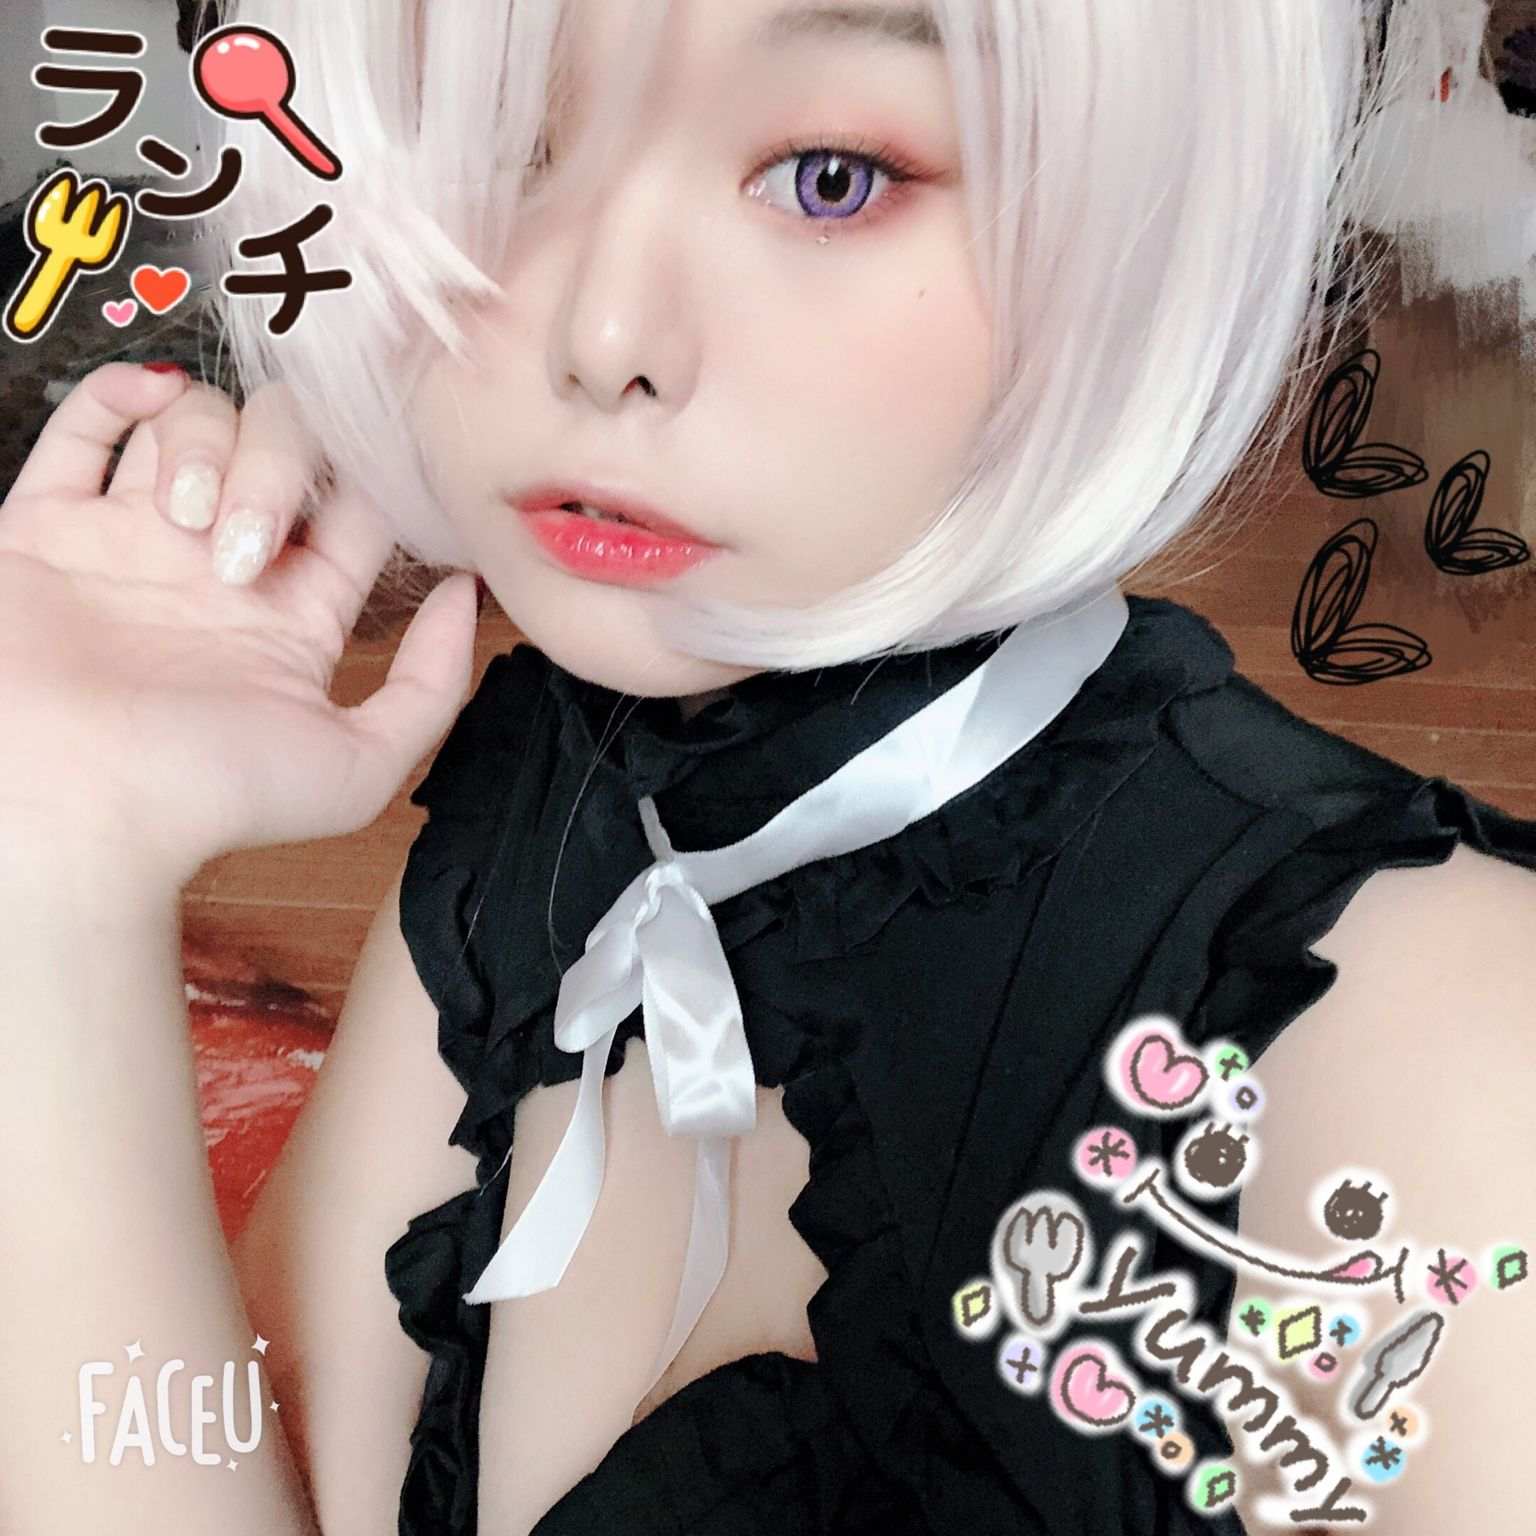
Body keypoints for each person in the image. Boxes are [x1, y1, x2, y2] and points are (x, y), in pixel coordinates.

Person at [0, 1, 1532, 1533]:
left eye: (829, 177)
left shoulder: (1432, 1046)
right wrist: (62, 847)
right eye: (500, 149)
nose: (602, 340)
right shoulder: (555, 803)